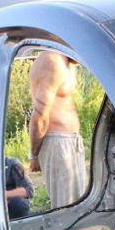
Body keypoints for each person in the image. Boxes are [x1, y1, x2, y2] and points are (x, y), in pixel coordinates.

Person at [28, 51, 85, 209]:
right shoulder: (51, 61)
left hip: (71, 142)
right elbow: (39, 116)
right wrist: (34, 154)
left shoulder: (67, 61)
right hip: (58, 145)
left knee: (80, 205)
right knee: (67, 208)